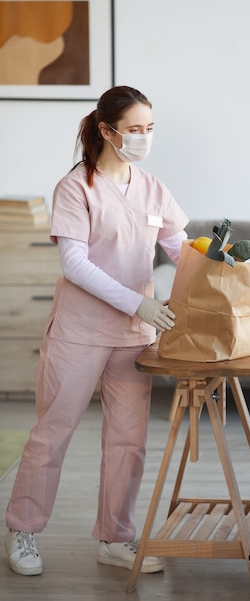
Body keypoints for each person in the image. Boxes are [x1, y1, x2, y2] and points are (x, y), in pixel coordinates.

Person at [4, 85, 189, 576]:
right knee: (53, 433)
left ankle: (116, 537)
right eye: (134, 130)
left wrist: (232, 262)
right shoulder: (75, 188)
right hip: (80, 332)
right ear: (107, 131)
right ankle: (22, 529)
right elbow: (75, 264)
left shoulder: (152, 188)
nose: (144, 138)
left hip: (133, 336)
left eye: (149, 129)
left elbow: (181, 248)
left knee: (129, 442)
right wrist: (139, 303)